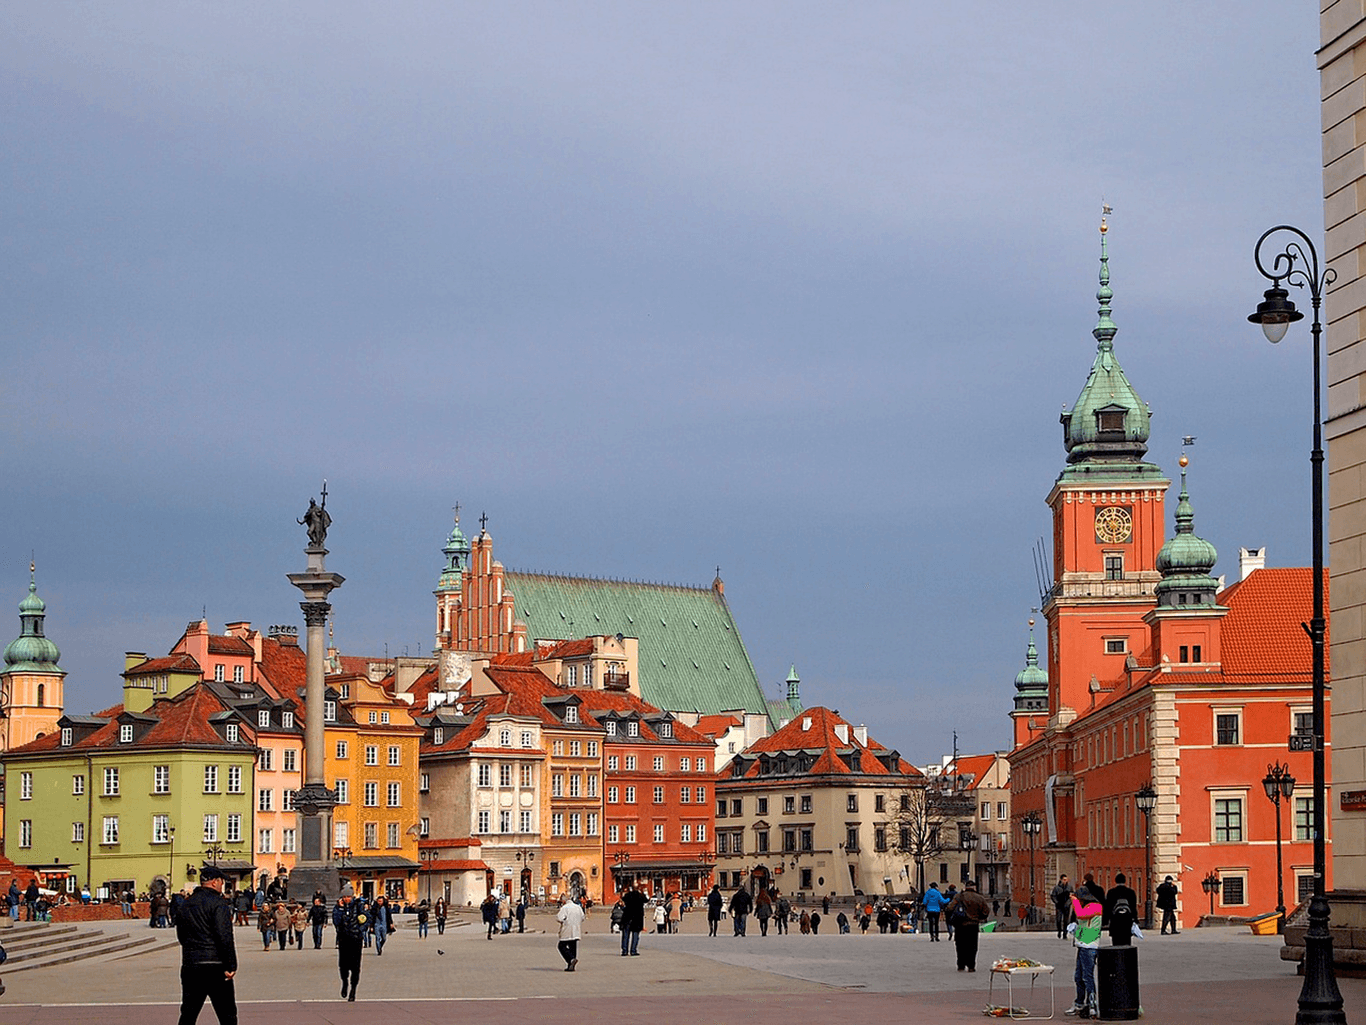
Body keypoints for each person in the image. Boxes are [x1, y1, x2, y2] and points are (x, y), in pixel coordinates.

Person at [174, 864, 237, 1025]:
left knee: (188, 1013)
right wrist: (230, 965)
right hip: (215, 966)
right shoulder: (218, 903)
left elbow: (181, 936)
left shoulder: (185, 904)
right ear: (215, 882)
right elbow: (224, 936)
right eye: (222, 882)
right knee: (227, 1015)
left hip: (191, 964)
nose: (222, 885)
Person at [1067, 889, 1103, 1017]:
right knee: (1078, 976)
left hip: (1089, 945)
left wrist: (1075, 901)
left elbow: (1081, 914)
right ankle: (1079, 1003)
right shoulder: (1087, 907)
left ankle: (1092, 1003)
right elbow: (1082, 922)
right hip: (1082, 944)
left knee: (1087, 976)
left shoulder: (1095, 906)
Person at [333, 884, 366, 1002]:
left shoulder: (358, 906)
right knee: (343, 966)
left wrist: (360, 930)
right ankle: (345, 983)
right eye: (345, 896)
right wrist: (341, 909)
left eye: (349, 896)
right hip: (343, 940)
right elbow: (336, 921)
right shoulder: (337, 908)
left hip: (356, 940)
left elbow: (366, 919)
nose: (347, 899)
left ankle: (353, 990)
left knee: (356, 966)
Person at [1103, 873, 1138, 946]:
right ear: (1125, 881)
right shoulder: (1130, 892)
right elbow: (1133, 907)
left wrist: (1105, 920)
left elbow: (1107, 908)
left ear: (1116, 881)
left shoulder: (1111, 892)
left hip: (1115, 921)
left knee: (1116, 942)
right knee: (1127, 941)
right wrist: (1135, 919)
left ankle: (1117, 956)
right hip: (1127, 920)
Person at [556, 895, 585, 971]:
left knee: (561, 946)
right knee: (573, 947)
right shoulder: (578, 907)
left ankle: (571, 959)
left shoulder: (565, 908)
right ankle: (571, 966)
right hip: (576, 930)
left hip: (567, 929)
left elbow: (559, 918)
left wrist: (565, 921)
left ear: (564, 901)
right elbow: (583, 917)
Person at [620, 881, 648, 956]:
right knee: (635, 934)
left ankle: (624, 951)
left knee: (626, 934)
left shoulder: (628, 895)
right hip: (637, 918)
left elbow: (623, 899)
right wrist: (643, 892)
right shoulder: (640, 896)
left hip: (627, 917)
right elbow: (646, 900)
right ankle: (633, 950)